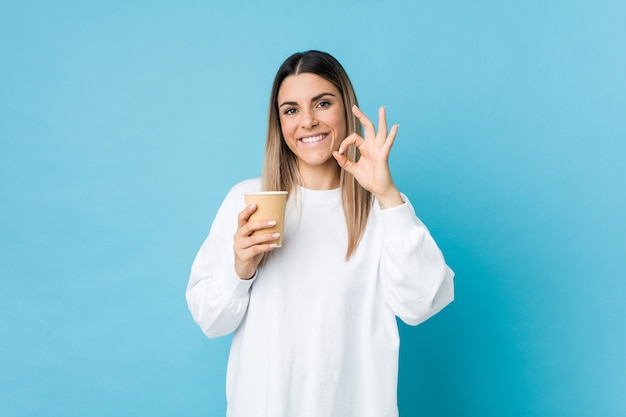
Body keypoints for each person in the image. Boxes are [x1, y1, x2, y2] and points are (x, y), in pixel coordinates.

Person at [186, 50, 454, 417]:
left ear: (346, 107)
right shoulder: (248, 201)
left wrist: (388, 196)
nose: (308, 121)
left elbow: (423, 302)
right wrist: (240, 268)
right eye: (291, 110)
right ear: (278, 123)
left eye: (322, 103)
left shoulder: (383, 207)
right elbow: (210, 321)